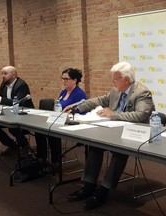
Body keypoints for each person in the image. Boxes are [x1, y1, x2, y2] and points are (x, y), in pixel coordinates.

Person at [66, 62, 155, 210]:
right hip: (114, 129)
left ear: (126, 79)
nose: (112, 82)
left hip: (134, 134)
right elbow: (100, 100)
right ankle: (88, 185)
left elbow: (141, 115)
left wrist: (114, 114)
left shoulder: (142, 92)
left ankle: (103, 190)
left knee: (119, 152)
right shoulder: (116, 90)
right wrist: (77, 107)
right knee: (95, 146)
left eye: (115, 79)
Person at [35, 68, 86, 168]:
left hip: (72, 122)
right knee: (39, 131)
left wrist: (70, 111)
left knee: (53, 132)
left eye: (66, 79)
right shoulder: (63, 92)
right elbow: (58, 106)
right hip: (60, 119)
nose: (64, 81)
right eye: (62, 79)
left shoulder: (79, 94)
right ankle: (41, 159)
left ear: (74, 80)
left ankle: (56, 161)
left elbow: (82, 110)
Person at [0, 66, 34, 156]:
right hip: (9, 114)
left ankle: (24, 146)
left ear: (14, 75)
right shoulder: (4, 84)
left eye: (5, 74)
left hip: (24, 114)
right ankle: (12, 146)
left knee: (13, 127)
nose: (3, 76)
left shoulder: (21, 85)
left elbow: (17, 103)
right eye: (2, 74)